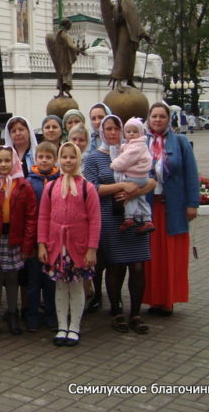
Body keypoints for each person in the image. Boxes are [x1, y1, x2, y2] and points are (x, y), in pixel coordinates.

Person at [83, 115, 155, 334]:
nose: (112, 133)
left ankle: (135, 313)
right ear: (101, 132)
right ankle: (116, 311)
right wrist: (121, 186)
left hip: (137, 218)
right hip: (110, 218)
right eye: (108, 129)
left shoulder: (132, 150)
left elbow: (151, 178)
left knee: (138, 266)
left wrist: (136, 190)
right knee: (115, 266)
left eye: (116, 128)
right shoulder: (95, 157)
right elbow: (91, 188)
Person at [38, 143, 101, 346]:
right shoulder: (51, 187)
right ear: (59, 159)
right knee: (59, 288)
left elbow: (95, 220)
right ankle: (61, 325)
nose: (67, 161)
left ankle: (74, 326)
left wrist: (92, 249)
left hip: (78, 247)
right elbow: (44, 217)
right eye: (63, 157)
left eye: (71, 157)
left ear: (78, 159)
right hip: (57, 247)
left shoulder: (87, 188)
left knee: (76, 287)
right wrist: (42, 244)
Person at [144, 102, 199, 317]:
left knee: (171, 256)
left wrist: (192, 204)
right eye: (154, 116)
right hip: (150, 207)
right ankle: (154, 299)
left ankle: (168, 300)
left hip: (173, 208)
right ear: (148, 119)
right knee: (152, 257)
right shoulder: (142, 142)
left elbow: (191, 174)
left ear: (168, 119)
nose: (157, 120)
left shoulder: (180, 142)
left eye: (161, 116)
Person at [0, 146, 36, 336]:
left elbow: (31, 216)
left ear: (14, 161)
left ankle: (13, 312)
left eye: (7, 160)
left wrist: (27, 244)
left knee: (13, 277)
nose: (3, 164)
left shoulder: (24, 186)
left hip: (15, 238)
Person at [25, 141, 60, 332]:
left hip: (53, 239)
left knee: (50, 281)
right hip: (33, 239)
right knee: (33, 281)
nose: (44, 160)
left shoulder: (60, 180)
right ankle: (32, 315)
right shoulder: (29, 182)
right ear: (35, 159)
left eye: (48, 157)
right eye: (41, 157)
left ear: (55, 160)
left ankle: (51, 314)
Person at [110, 118, 154, 234]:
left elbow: (125, 160)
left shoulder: (135, 147)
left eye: (134, 131)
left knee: (129, 195)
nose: (131, 134)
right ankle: (147, 220)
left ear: (140, 133)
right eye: (128, 131)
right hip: (143, 176)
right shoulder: (139, 145)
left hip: (134, 176)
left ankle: (129, 217)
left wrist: (114, 164)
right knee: (141, 198)